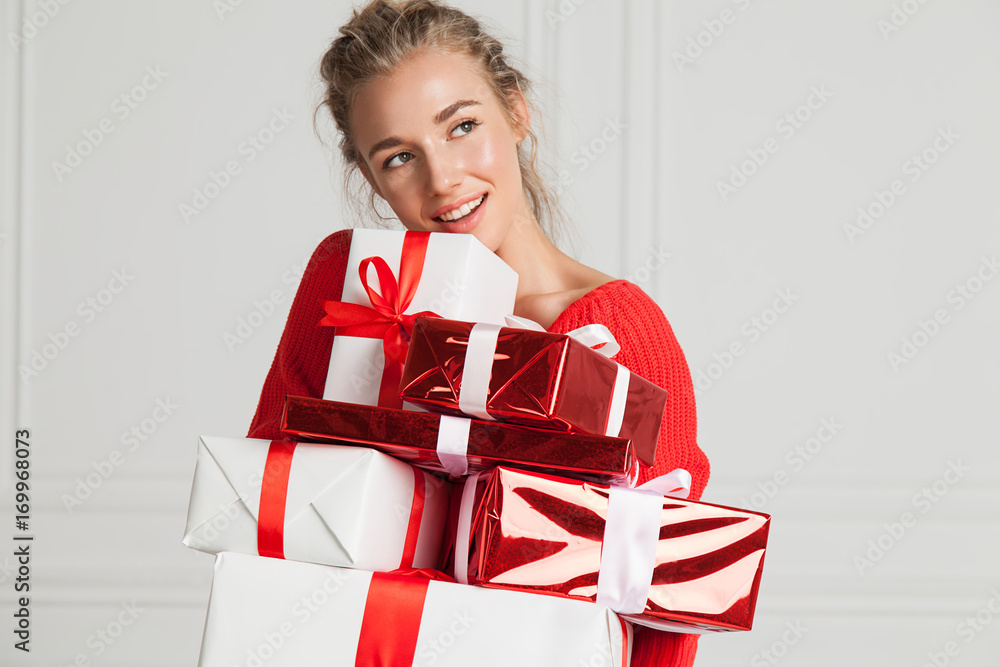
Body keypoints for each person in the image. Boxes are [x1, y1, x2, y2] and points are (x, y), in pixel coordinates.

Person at [247, 1, 711, 664]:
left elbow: (666, 602)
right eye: (400, 156)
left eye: (462, 126)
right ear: (371, 179)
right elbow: (270, 504)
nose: (444, 180)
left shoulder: (619, 330)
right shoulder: (351, 281)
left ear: (517, 111)